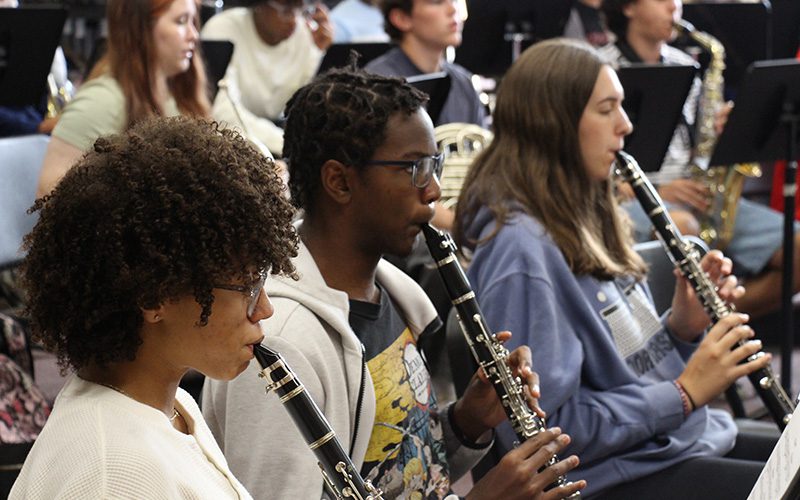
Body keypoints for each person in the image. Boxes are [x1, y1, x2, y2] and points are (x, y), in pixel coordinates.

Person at [201, 66, 585, 500]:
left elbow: (400, 474)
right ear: (339, 181)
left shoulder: (390, 295)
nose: (435, 190)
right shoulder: (280, 344)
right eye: (414, 169)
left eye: (434, 165)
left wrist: (467, 421)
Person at [453, 37, 780, 500]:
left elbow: (629, 368)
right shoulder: (522, 253)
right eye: (607, 110)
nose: (626, 126)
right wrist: (683, 393)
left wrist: (684, 329)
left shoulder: (588, 210)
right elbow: (549, 434)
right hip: (613, 478)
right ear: (556, 126)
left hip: (668, 444)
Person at [10, 116, 298, 499]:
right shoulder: (116, 475)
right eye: (248, 287)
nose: (264, 309)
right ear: (153, 296)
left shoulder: (171, 405)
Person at [599, 0, 800, 319]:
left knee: (798, 248)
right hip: (630, 198)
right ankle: (686, 327)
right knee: (684, 229)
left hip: (696, 194)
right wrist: (660, 191)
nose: (674, 7)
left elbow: (700, 150)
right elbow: (586, 162)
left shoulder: (687, 65)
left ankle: (709, 321)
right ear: (628, 7)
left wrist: (724, 133)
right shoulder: (598, 69)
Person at [36, 0, 211, 199]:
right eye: (181, 21)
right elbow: (49, 197)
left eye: (193, 22)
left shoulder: (174, 99)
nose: (194, 35)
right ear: (140, 27)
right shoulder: (100, 102)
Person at [201, 0, 333, 155]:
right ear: (259, 5)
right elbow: (224, 113)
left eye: (302, 10)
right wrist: (291, 144)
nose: (294, 20)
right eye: (285, 10)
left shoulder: (305, 34)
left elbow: (294, 104)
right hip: (232, 139)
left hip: (278, 135)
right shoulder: (222, 29)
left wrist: (318, 53)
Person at [365, 0, 486, 127]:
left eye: (455, 0)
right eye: (437, 2)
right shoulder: (376, 85)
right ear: (401, 18)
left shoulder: (464, 83)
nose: (454, 9)